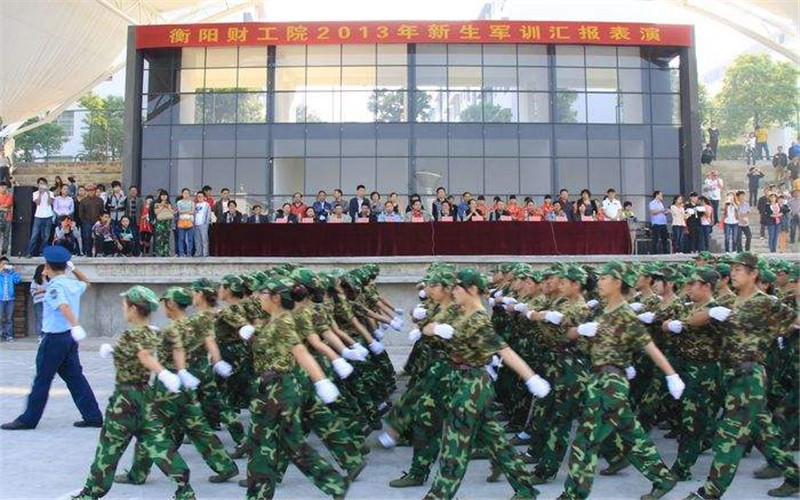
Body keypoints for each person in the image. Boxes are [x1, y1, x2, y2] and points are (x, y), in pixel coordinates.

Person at [557, 261, 683, 500]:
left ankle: (573, 494)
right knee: (630, 434)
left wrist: (671, 375)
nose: (600, 282)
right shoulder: (604, 311)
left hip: (610, 382)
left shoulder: (625, 314)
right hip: (600, 377)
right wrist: (581, 331)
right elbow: (573, 337)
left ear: (618, 283)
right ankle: (663, 478)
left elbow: (649, 346)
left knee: (586, 440)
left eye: (605, 278)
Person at [682, 252, 800, 500]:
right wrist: (712, 313)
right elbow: (692, 320)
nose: (733, 274)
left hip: (749, 375)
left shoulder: (765, 302)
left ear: (753, 274)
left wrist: (778, 334)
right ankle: (795, 476)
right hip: (732, 375)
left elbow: (794, 319)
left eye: (739, 270)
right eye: (732, 270)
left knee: (729, 436)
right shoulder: (732, 303)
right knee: (763, 433)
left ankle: (709, 493)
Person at [69, 286, 195, 500]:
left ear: (135, 308)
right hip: (145, 398)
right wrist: (115, 351)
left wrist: (164, 374)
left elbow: (144, 355)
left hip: (125, 400)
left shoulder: (132, 334)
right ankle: (185, 490)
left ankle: (90, 493)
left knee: (109, 449)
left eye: (125, 305)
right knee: (160, 444)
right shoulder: (150, 332)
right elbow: (146, 352)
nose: (123, 309)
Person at [243, 275, 349, 500]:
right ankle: (258, 495)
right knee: (261, 444)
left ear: (275, 297)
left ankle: (335, 483)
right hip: (265, 389)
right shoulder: (270, 320)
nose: (257, 296)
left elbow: (300, 351)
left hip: (280, 389)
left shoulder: (283, 321)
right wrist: (252, 332)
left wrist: (321, 381)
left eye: (262, 293)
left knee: (291, 444)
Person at [1, 246, 102, 430]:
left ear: (47, 267)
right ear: (65, 266)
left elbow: (63, 306)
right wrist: (74, 269)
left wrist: (76, 325)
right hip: (69, 339)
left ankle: (28, 420)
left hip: (54, 339)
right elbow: (87, 283)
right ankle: (93, 416)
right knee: (75, 378)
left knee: (42, 379)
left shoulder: (55, 286)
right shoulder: (72, 283)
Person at [27, 177, 55, 257]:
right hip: (38, 216)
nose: (42, 185)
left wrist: (47, 192)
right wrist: (40, 193)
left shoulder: (50, 193)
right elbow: (38, 203)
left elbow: (50, 203)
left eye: (43, 183)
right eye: (40, 183)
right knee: (34, 235)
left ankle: (43, 251)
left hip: (48, 215)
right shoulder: (35, 193)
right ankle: (30, 252)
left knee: (46, 236)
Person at [78, 184, 104, 257]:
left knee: (98, 237)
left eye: (92, 190)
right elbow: (81, 213)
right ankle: (88, 252)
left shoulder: (100, 200)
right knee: (87, 237)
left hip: (97, 222)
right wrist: (84, 221)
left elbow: (102, 211)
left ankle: (98, 252)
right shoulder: (83, 201)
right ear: (86, 192)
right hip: (87, 222)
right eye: (89, 191)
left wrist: (100, 221)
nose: (90, 192)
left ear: (95, 191)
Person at [0, 257, 21, 342]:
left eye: (7, 264)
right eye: (3, 263)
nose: (5, 265)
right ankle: (1, 334)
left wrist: (15, 271)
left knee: (9, 318)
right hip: (0, 298)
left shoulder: (11, 274)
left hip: (10, 299)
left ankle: (8, 335)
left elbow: (18, 280)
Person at [153, 189, 173, 257]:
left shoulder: (169, 204)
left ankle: (166, 252)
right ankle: (159, 252)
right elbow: (156, 212)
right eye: (162, 195)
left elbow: (173, 213)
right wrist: (162, 206)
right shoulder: (157, 204)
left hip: (167, 222)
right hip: (160, 222)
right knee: (159, 237)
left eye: (165, 195)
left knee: (166, 238)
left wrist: (168, 207)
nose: (164, 197)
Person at [176, 188, 195, 257]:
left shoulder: (192, 202)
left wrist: (185, 212)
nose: (186, 195)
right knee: (181, 238)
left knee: (190, 238)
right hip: (181, 221)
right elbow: (179, 211)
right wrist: (188, 212)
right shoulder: (179, 202)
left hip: (190, 221)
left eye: (187, 193)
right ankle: (181, 253)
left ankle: (189, 253)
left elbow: (193, 212)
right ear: (182, 194)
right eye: (184, 193)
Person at [30, 264, 47, 339]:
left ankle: (46, 335)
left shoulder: (49, 279)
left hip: (48, 302)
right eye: (44, 269)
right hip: (39, 301)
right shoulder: (35, 281)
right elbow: (32, 291)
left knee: (47, 318)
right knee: (40, 318)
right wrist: (40, 291)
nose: (46, 271)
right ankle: (40, 336)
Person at [193, 191, 211, 257]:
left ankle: (205, 253)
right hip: (196, 224)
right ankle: (198, 253)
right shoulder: (195, 205)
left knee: (204, 240)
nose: (199, 198)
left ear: (204, 197)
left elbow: (208, 215)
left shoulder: (206, 204)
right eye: (198, 196)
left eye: (201, 196)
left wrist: (206, 223)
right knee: (197, 240)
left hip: (203, 224)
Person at [0, 182, 13, 255]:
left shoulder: (9, 196)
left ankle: (4, 250)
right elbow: (5, 208)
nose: (3, 189)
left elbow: (7, 206)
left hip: (7, 218)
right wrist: (4, 208)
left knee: (6, 235)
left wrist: (3, 208)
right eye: (1, 187)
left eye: (4, 187)